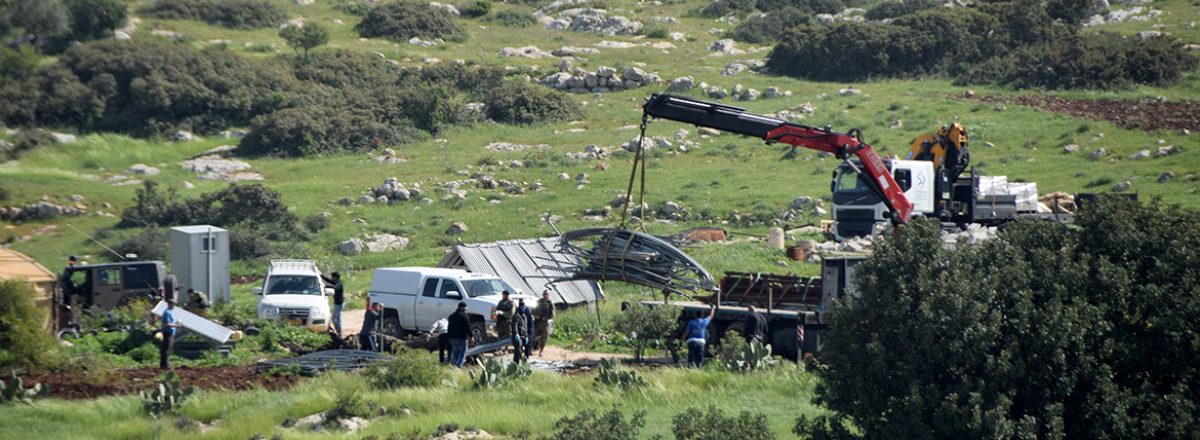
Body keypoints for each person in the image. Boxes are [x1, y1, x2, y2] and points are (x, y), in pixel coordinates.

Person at [447, 302, 471, 368]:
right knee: (462, 354)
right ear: (464, 309)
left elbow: (449, 328)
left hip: (453, 338)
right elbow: (468, 327)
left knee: (455, 353)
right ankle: (459, 366)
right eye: (466, 309)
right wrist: (471, 336)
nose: (466, 311)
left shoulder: (451, 316)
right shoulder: (465, 317)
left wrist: (449, 337)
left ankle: (454, 366)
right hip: (462, 338)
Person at [320, 271, 345, 335]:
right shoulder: (337, 282)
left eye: (332, 277)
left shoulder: (339, 284)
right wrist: (321, 276)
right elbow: (329, 281)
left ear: (335, 277)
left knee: (334, 318)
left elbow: (335, 287)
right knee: (338, 319)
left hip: (339, 304)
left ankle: (338, 331)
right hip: (339, 303)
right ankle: (340, 332)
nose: (331, 278)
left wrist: (325, 287)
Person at [533, 289, 556, 357]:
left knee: (544, 337)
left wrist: (546, 317)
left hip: (545, 323)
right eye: (545, 294)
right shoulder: (539, 301)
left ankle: (541, 351)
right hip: (537, 322)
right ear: (543, 295)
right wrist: (535, 315)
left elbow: (553, 314)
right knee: (534, 336)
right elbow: (534, 310)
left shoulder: (550, 303)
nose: (546, 295)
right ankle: (531, 349)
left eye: (547, 294)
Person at [158, 298, 179, 369]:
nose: (174, 306)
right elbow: (167, 324)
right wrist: (176, 325)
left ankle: (165, 363)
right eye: (173, 304)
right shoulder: (167, 312)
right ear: (170, 304)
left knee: (168, 348)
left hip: (170, 332)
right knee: (167, 348)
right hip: (168, 332)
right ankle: (165, 364)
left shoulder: (169, 312)